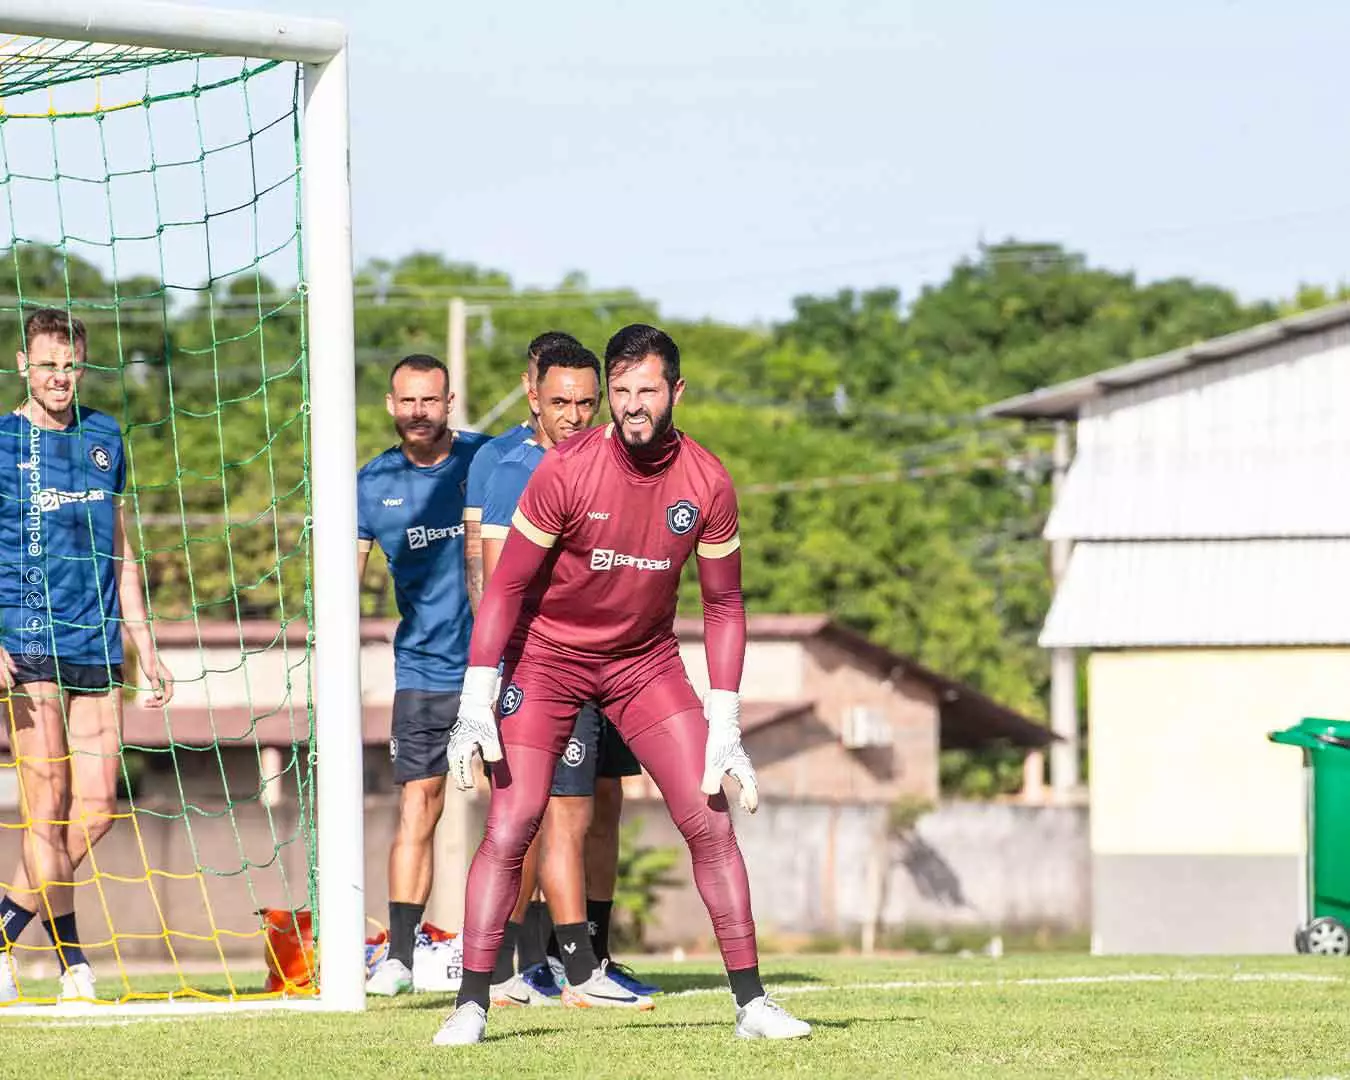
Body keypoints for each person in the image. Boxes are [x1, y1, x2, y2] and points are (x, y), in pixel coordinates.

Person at [434, 324, 812, 1045]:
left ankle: (753, 1004)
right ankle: (472, 1004)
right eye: (621, 391)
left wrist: (724, 722)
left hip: (643, 661)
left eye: (648, 390)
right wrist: (476, 700)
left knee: (708, 816)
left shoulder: (707, 480)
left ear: (677, 391)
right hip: (548, 657)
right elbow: (508, 586)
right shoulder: (569, 469)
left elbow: (725, 605)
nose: (633, 405)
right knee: (513, 823)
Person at [0, 307, 175, 1004]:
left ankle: (7, 934)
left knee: (97, 808)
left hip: (99, 640)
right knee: (48, 806)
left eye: (69, 364)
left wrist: (147, 644)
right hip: (27, 638)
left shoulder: (105, 436)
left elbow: (123, 550)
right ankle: (72, 960)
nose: (59, 377)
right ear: (23, 366)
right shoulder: (4, 441)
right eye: (46, 364)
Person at [476, 341, 657, 1009]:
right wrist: (491, 677)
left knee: (593, 807)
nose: (575, 415)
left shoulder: (615, 464)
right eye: (561, 402)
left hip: (613, 664)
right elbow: (496, 584)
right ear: (534, 398)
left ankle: (566, 961)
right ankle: (555, 969)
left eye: (587, 402)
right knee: (549, 814)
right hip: (546, 666)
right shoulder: (512, 472)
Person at [358, 353, 488, 995]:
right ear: (391, 405)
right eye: (406, 401)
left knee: (525, 808)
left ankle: (525, 955)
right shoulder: (370, 483)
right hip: (423, 672)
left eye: (429, 400)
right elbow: (344, 578)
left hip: (501, 666)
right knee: (418, 805)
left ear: (449, 400)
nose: (418, 412)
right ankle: (401, 958)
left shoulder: (486, 461)